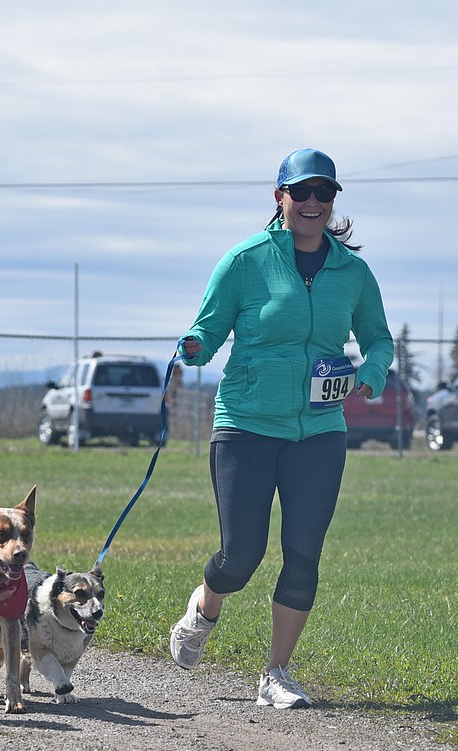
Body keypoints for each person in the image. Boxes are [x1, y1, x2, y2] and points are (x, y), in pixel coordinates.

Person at [168, 148, 393, 709]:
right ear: (281, 198)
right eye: (303, 192)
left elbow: (379, 339)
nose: (314, 202)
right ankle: (203, 609)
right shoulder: (245, 261)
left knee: (303, 551)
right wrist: (192, 348)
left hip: (319, 430)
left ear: (333, 201)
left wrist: (371, 372)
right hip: (246, 424)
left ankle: (277, 672)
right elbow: (208, 329)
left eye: (326, 193)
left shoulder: (353, 272)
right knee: (240, 555)